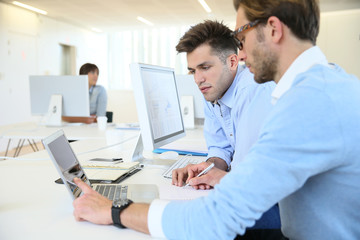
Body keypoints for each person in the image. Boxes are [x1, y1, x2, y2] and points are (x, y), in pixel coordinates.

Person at [72, 0, 360, 239]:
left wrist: (114, 210)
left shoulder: (308, 103)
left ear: (273, 29)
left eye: (242, 37)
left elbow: (216, 220)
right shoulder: (321, 87)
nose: (242, 53)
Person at [172, 20, 281, 237]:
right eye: (193, 70)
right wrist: (208, 167)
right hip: (252, 192)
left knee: (193, 225)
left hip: (279, 205)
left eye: (205, 67)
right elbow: (220, 149)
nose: (198, 79)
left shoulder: (253, 90)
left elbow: (246, 181)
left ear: (232, 61)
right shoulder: (212, 91)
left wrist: (216, 176)